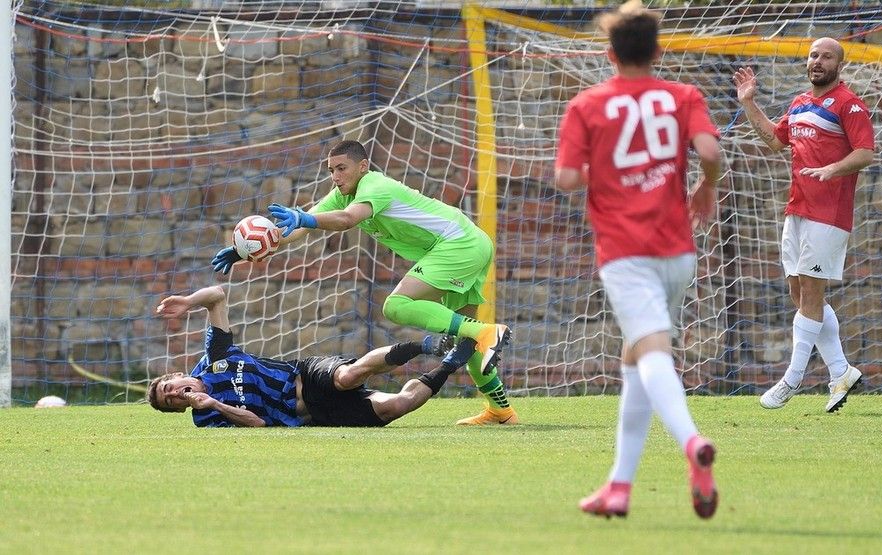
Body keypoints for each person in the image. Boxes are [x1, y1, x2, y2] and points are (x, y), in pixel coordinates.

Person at [212, 140, 518, 426]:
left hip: (459, 245)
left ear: (363, 166)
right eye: (331, 170)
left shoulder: (375, 184)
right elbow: (299, 228)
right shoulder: (343, 193)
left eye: (341, 168)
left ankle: (487, 332)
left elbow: (346, 219)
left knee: (397, 306)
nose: (335, 176)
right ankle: (500, 409)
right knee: (466, 336)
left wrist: (307, 219)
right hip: (469, 243)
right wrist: (244, 250)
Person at [554, 0, 720, 519]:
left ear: (609, 53)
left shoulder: (587, 105)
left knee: (652, 355)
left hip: (626, 253)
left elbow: (565, 178)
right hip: (677, 250)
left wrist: (595, 174)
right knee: (635, 364)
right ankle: (619, 487)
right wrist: (705, 188)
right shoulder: (682, 95)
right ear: (657, 50)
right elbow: (712, 155)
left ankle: (692, 443)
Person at [733, 37, 875, 413]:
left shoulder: (849, 104)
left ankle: (792, 379)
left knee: (810, 295)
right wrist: (749, 103)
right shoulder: (799, 104)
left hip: (829, 215)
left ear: (839, 65)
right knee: (800, 296)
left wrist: (833, 168)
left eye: (827, 56)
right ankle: (841, 371)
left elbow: (865, 152)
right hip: (796, 210)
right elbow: (774, 142)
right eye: (814, 55)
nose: (818, 61)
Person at [147, 284, 473, 428]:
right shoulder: (206, 417)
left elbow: (217, 296)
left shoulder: (214, 356)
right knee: (397, 407)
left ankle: (427, 346)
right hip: (314, 415)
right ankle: (452, 362)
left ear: (177, 376)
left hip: (306, 375)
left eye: (170, 388)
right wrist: (216, 404)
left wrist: (189, 302)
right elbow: (257, 424)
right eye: (172, 402)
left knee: (347, 377)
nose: (176, 394)